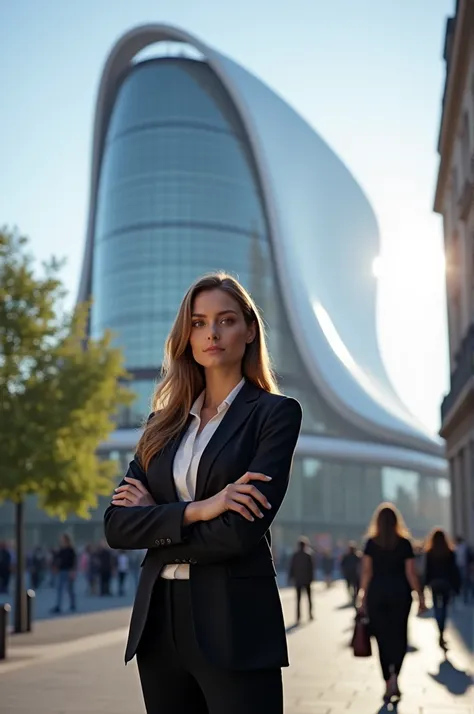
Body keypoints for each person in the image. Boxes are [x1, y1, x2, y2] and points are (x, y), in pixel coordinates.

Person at [104, 273, 303, 714]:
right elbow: (117, 526)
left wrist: (157, 521)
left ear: (249, 330)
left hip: (234, 623)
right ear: (186, 335)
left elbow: (238, 534)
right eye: (198, 322)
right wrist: (200, 509)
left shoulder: (274, 415)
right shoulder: (162, 423)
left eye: (226, 320)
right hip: (159, 625)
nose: (212, 333)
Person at [358, 503, 426, 705]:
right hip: (400, 594)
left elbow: (367, 573)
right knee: (399, 636)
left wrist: (362, 598)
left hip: (377, 595)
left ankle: (387, 681)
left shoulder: (371, 543)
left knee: (381, 640)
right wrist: (420, 596)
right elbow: (411, 573)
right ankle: (395, 675)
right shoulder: (404, 544)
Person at [424, 528, 461, 651]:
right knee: (444, 608)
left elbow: (427, 571)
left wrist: (424, 585)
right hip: (446, 584)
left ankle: (439, 628)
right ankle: (441, 631)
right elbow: (454, 571)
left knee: (436, 608)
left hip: (434, 583)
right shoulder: (449, 552)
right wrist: (456, 586)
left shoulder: (430, 553)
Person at [288, 536, 315, 623]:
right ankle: (310, 614)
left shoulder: (295, 555)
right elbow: (311, 568)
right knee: (309, 598)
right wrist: (312, 578)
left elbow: (291, 567)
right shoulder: (308, 555)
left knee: (298, 599)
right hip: (307, 580)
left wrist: (290, 577)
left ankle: (298, 617)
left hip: (298, 580)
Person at [50, 533, 77, 614]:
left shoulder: (71, 550)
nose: (61, 541)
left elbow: (73, 561)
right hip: (62, 571)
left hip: (68, 571)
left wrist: (72, 571)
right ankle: (58, 606)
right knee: (60, 589)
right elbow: (58, 559)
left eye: (62, 539)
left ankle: (72, 604)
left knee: (70, 589)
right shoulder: (61, 550)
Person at [340, 542, 361, 607]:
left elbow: (342, 565)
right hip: (353, 575)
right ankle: (353, 597)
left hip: (351, 575)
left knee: (352, 587)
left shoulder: (356, 557)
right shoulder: (355, 557)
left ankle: (353, 598)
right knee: (353, 587)